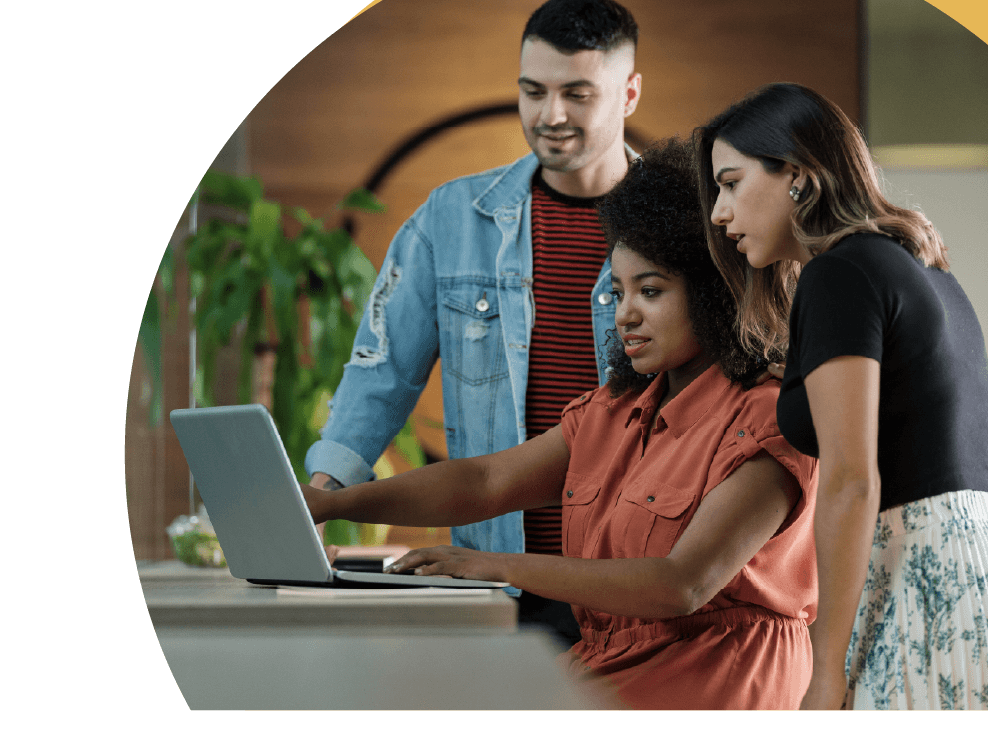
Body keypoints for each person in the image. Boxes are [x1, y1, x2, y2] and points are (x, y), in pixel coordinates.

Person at [303, 137, 819, 710]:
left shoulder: (770, 414)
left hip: (717, 673)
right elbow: (484, 483)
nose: (624, 313)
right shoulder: (614, 411)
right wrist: (332, 504)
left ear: (718, 291)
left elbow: (681, 585)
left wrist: (488, 565)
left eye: (650, 291)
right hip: (611, 662)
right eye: (618, 290)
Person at [304, 0, 645, 646]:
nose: (552, 115)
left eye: (578, 93)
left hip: (637, 578)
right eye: (533, 90)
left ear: (629, 93)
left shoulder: (688, 224)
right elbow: (382, 373)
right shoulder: (450, 219)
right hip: (499, 582)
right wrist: (321, 498)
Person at [695, 83, 988, 710]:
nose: (719, 214)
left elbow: (850, 481)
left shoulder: (838, 274)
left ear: (798, 177)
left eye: (731, 183)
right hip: (977, 569)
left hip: (913, 578)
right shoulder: (920, 265)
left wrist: (824, 666)